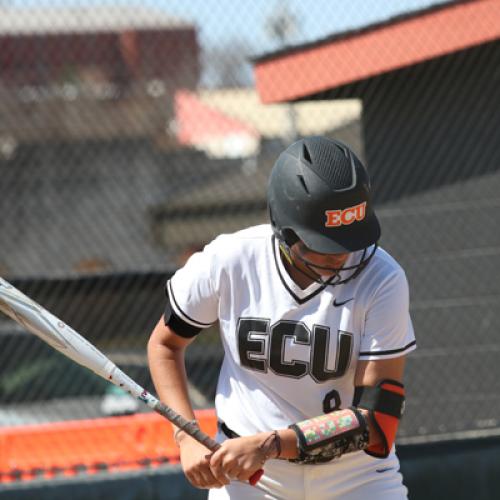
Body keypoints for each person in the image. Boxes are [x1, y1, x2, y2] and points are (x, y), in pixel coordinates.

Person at [148, 136, 416, 499]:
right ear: (284, 231)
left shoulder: (382, 277)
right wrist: (186, 435)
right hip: (250, 474)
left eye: (351, 237)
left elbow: (376, 420)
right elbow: (165, 344)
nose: (342, 255)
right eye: (324, 244)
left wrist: (272, 444)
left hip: (355, 474)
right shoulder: (230, 261)